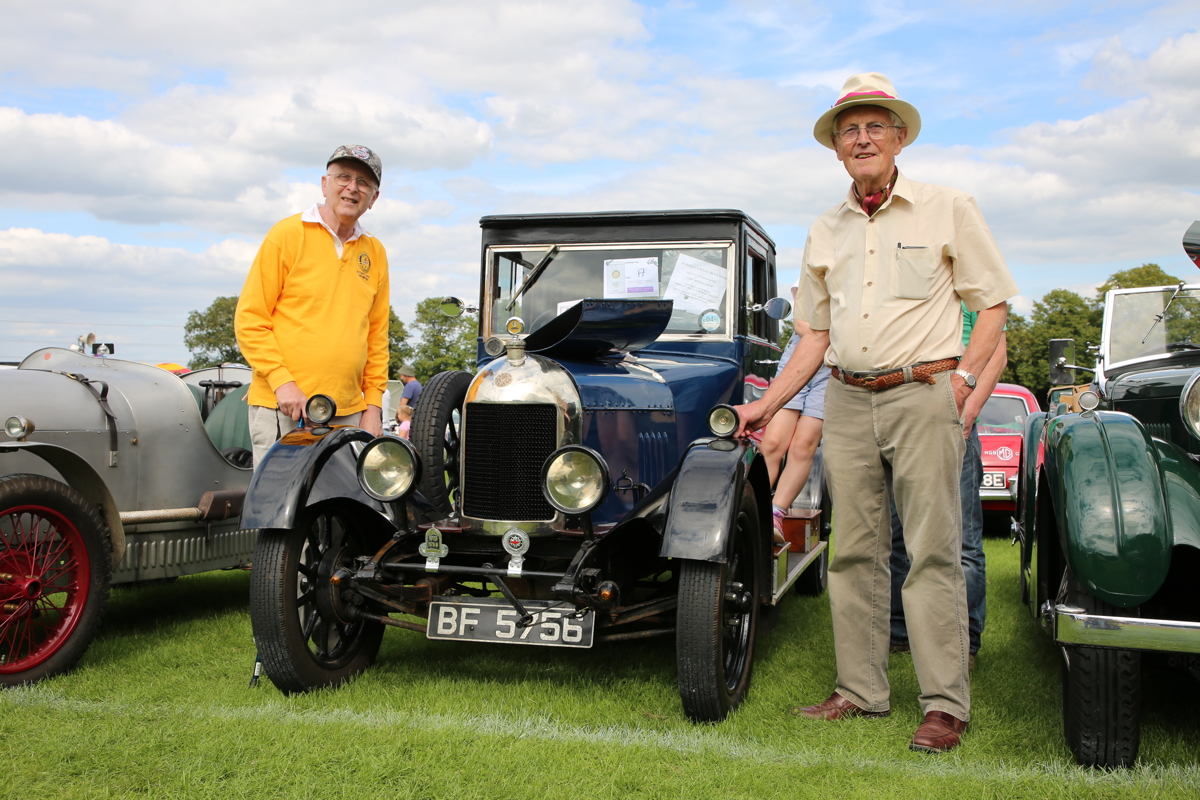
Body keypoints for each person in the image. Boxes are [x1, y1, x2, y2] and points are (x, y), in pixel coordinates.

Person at [735, 73, 1017, 754]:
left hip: (925, 392)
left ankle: (945, 704)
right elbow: (814, 337)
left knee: (933, 553)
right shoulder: (824, 228)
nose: (862, 139)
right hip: (847, 398)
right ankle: (860, 690)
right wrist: (767, 404)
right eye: (849, 130)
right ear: (835, 149)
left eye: (874, 127)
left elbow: (995, 304)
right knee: (853, 550)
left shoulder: (948, 206)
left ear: (898, 138)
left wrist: (965, 383)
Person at [236, 145, 390, 467]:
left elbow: (376, 338)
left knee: (346, 510)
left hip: (349, 413)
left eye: (363, 182)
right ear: (324, 183)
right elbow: (251, 319)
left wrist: (373, 408)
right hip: (284, 406)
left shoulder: (374, 252)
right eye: (343, 177)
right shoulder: (287, 235)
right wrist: (283, 382)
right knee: (281, 512)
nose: (352, 188)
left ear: (373, 198)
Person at [890, 305, 1008, 669]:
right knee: (898, 535)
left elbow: (997, 354)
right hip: (902, 419)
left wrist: (969, 410)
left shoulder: (972, 290)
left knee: (962, 539)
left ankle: (963, 642)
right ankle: (900, 635)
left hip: (953, 415)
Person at [760, 313, 831, 542]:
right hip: (801, 356)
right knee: (773, 442)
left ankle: (775, 514)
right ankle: (754, 509)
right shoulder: (812, 276)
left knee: (803, 446)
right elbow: (802, 324)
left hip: (833, 365)